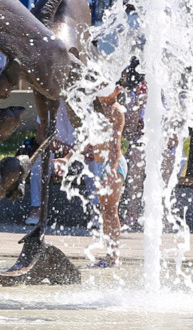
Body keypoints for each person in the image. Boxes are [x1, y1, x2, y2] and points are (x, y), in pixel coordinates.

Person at [85, 88, 126, 267]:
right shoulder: (97, 111)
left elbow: (116, 145)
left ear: (117, 90)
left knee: (111, 210)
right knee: (105, 211)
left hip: (113, 164)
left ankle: (114, 256)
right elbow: (86, 141)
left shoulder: (116, 110)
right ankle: (109, 254)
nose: (101, 89)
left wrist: (112, 170)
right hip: (100, 164)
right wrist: (67, 158)